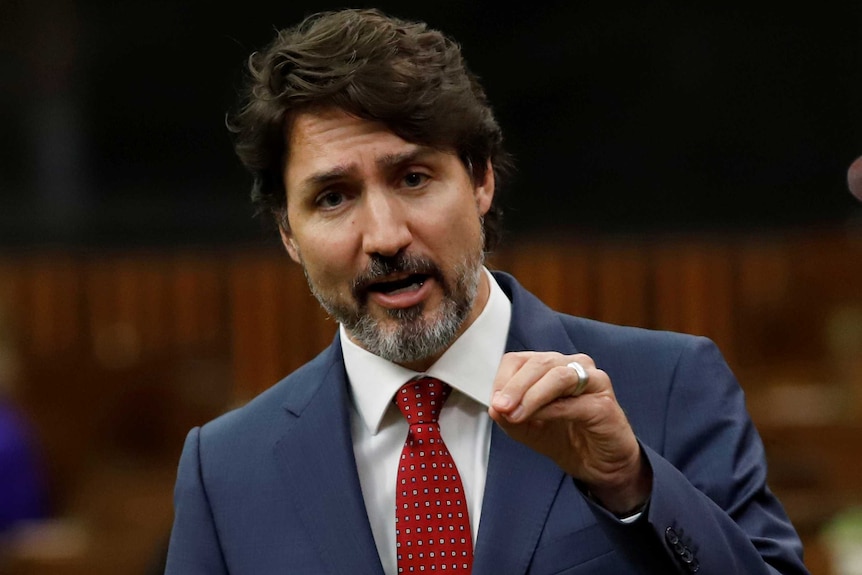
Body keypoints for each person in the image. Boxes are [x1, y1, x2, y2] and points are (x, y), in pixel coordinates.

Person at [165, 8, 809, 574]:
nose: (385, 236)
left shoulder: (670, 386)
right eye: (333, 198)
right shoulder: (225, 472)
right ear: (287, 232)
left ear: (480, 181)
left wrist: (630, 485)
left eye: (414, 178)